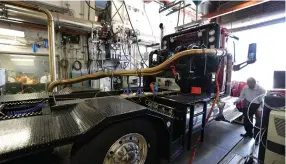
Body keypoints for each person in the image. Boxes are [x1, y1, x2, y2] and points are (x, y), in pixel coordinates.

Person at [234, 77, 266, 144]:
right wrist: (237, 101)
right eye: (248, 84)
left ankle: (257, 139)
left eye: (251, 84)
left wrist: (259, 109)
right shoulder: (246, 88)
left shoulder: (261, 90)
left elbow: (263, 101)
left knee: (258, 123)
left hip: (258, 106)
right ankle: (249, 134)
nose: (249, 86)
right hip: (249, 104)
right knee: (247, 120)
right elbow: (242, 96)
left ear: (255, 83)